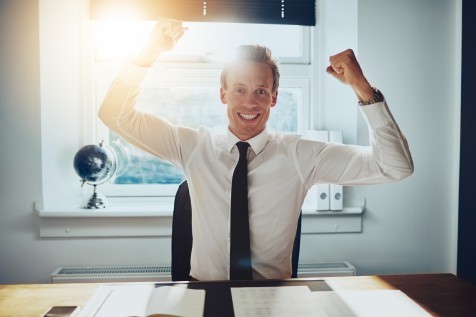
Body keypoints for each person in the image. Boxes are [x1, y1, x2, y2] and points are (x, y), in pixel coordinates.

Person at [98, 19, 414, 281]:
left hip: (274, 299)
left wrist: (363, 89)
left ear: (274, 98)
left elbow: (394, 167)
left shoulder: (300, 155)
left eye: (261, 91)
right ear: (223, 94)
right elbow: (114, 114)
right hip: (203, 295)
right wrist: (149, 52)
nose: (250, 102)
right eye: (240, 90)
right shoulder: (193, 145)